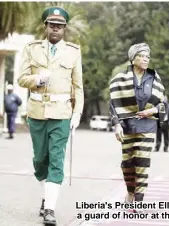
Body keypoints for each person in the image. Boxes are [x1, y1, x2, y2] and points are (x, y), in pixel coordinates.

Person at [17, 6, 84, 225]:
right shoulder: (31, 48)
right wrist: (37, 80)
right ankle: (46, 197)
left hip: (61, 114)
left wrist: (77, 114)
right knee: (40, 161)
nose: (56, 29)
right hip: (36, 112)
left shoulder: (73, 51)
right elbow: (21, 79)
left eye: (60, 26)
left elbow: (78, 86)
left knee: (56, 160)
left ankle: (50, 209)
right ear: (45, 26)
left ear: (64, 29)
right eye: (52, 25)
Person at [109, 43, 166, 211]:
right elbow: (113, 104)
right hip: (127, 126)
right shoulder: (120, 79)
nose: (146, 59)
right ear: (133, 58)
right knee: (128, 164)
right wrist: (117, 125)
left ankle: (139, 200)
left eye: (148, 57)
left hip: (147, 126)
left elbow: (163, 104)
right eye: (142, 56)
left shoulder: (154, 77)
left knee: (142, 162)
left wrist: (153, 111)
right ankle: (130, 192)